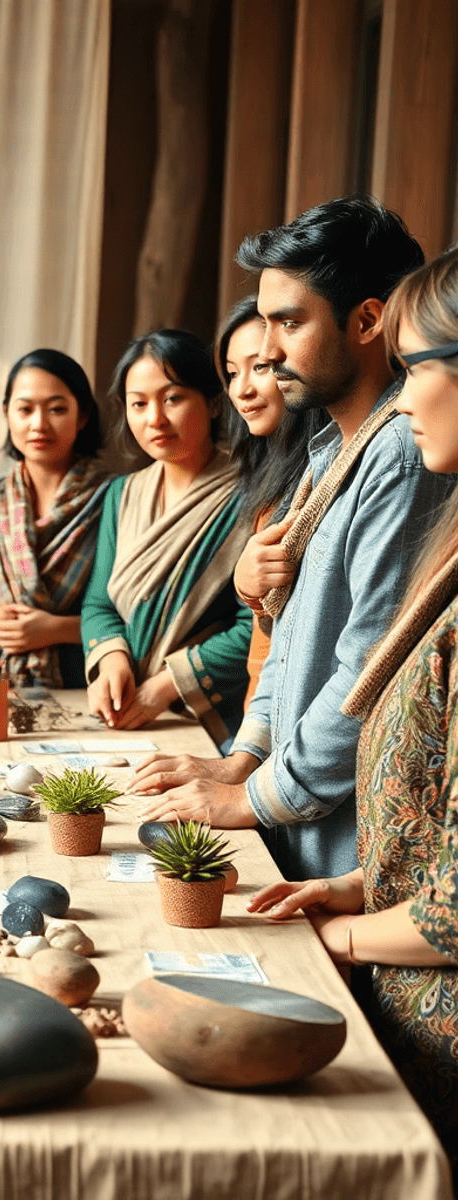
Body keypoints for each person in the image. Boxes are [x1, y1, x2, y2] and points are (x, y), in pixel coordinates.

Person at [133, 196, 452, 882]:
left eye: (289, 322)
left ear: (366, 320)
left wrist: (252, 797)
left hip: (344, 847)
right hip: (298, 828)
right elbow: (289, 641)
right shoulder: (330, 451)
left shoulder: (402, 455)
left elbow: (366, 673)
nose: (268, 350)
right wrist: (243, 760)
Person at [249, 245, 458, 1170]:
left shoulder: (401, 463)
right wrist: (367, 882)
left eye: (420, 368)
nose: (405, 399)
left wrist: (337, 934)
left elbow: (456, 910)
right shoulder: (411, 499)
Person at [81, 330, 251, 749]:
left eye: (172, 398)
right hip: (131, 714)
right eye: (138, 404)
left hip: (218, 719)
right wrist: (111, 659)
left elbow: (258, 626)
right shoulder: (122, 495)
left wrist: (167, 685)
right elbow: (99, 603)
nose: (154, 419)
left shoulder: (252, 494)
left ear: (214, 402)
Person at [0, 348, 112, 688]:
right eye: (25, 409)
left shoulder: (115, 498)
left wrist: (55, 629)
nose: (39, 424)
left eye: (57, 409)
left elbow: (132, 614)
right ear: (7, 414)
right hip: (2, 687)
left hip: (93, 682)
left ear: (83, 416)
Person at [216, 296, 318, 705]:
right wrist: (247, 589)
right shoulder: (263, 474)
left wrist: (250, 588)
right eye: (231, 373)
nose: (242, 389)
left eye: (259, 367)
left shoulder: (318, 477)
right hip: (259, 708)